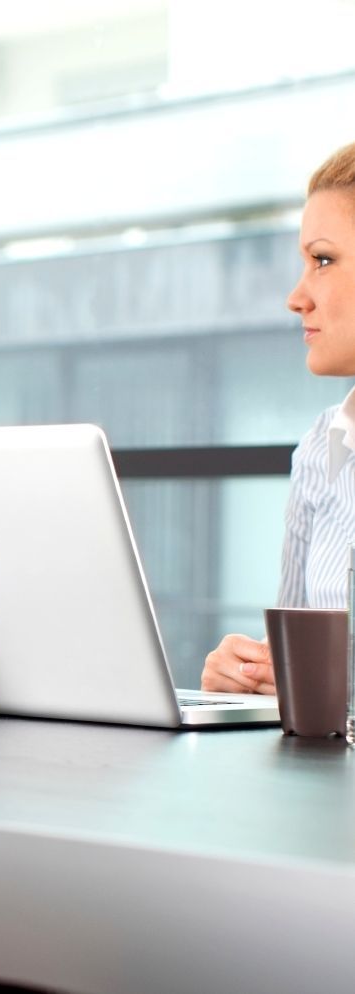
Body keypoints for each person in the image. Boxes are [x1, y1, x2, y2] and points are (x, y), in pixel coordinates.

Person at [202, 140, 355, 695]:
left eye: (322, 260)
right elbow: (294, 671)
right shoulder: (323, 447)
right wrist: (247, 676)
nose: (296, 297)